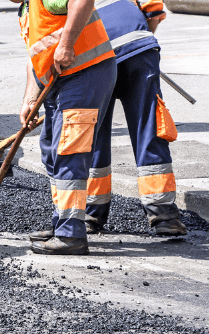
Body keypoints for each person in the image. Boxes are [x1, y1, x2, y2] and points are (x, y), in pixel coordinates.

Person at [14, 0, 117, 254]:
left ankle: (71, 234)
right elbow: (35, 58)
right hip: (60, 81)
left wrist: (66, 44)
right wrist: (29, 100)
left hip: (85, 73)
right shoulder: (27, 10)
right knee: (50, 148)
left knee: (69, 151)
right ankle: (62, 222)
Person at [82, 0, 187, 236]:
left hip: (93, 54)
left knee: (93, 132)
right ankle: (164, 215)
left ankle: (90, 214)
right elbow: (153, 12)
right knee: (148, 126)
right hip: (138, 48)